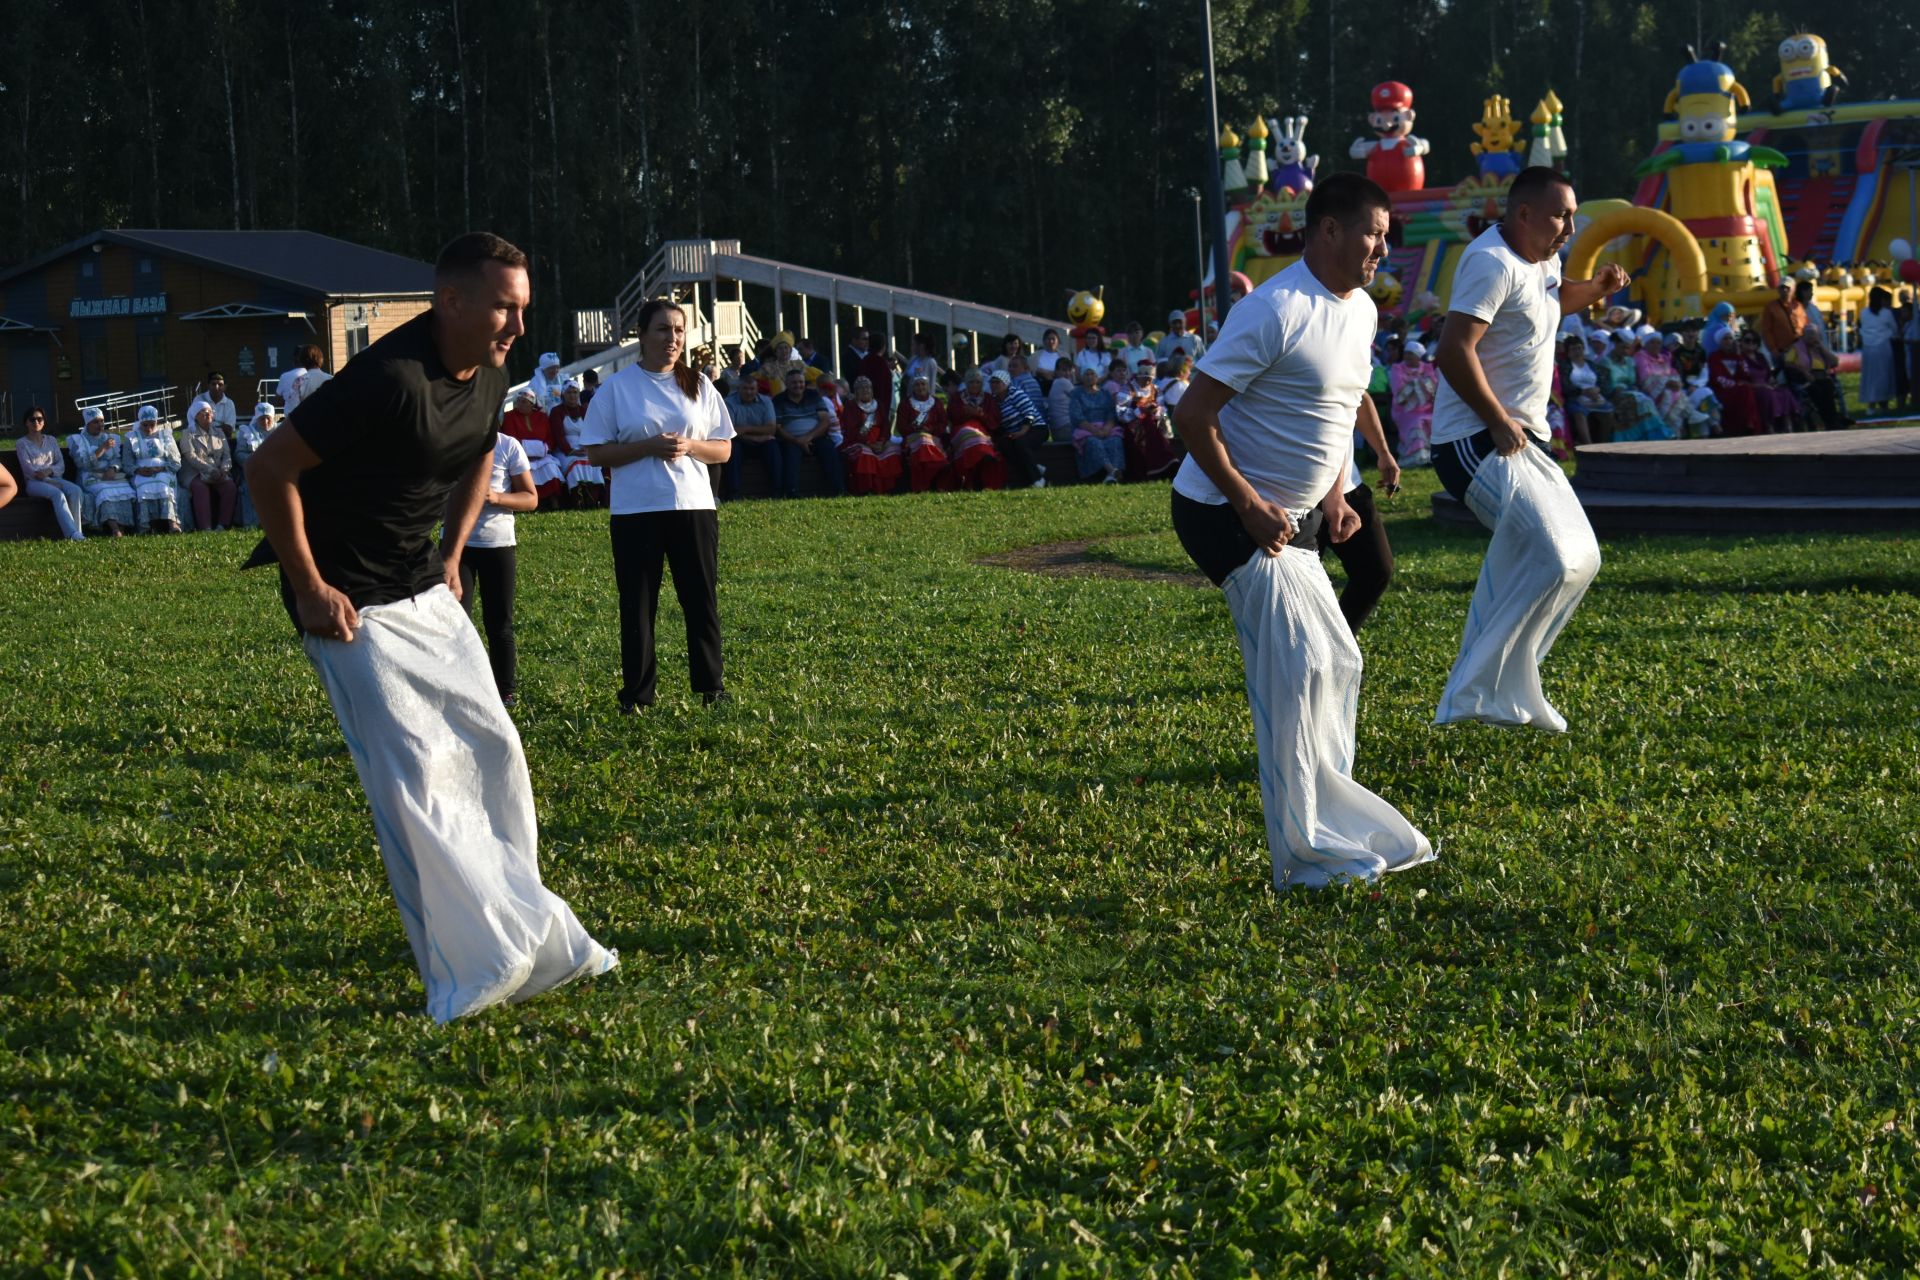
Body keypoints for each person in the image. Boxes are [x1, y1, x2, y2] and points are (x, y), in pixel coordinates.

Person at [244, 231, 616, 1022]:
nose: (517, 326)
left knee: (494, 745)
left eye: (524, 309)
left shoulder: (491, 372)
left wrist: (454, 549)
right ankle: (466, 965)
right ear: (451, 300)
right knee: (415, 774)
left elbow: (482, 450)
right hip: (345, 595)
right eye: (502, 308)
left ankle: (530, 930)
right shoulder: (386, 377)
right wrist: (308, 586)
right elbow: (268, 467)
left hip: (420, 578)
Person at [1168, 171, 1432, 889]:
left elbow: (1332, 408)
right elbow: (1192, 416)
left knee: (1338, 663)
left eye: (1386, 235)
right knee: (1298, 672)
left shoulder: (1361, 313)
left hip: (1293, 517)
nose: (1383, 248)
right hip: (1224, 513)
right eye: (1373, 233)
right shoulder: (1276, 308)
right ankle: (1304, 860)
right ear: (1328, 230)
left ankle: (1331, 827)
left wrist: (1339, 491)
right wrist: (1250, 503)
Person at [1429, 165, 1617, 733]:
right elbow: (1453, 351)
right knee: (1551, 556)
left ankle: (1509, 686)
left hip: (1524, 436)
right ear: (1523, 213)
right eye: (1561, 215)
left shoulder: (1543, 261)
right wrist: (1495, 418)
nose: (1569, 226)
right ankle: (1473, 693)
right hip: (1472, 440)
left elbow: (1552, 303)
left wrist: (1599, 291)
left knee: (1582, 559)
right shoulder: (1490, 263)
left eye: (1573, 216)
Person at [579, 297, 735, 712]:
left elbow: (722, 450)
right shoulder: (616, 388)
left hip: (693, 508)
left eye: (679, 330)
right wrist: (647, 446)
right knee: (638, 605)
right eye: (664, 329)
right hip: (636, 512)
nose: (673, 338)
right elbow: (596, 454)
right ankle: (637, 696)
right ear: (643, 335)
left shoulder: (700, 385)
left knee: (700, 600)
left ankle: (711, 688)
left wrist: (692, 445)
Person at [455, 429, 537, 706]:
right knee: (457, 622)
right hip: (457, 546)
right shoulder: (448, 440)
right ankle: (462, 690)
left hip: (497, 544)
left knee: (499, 623)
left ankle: (505, 692)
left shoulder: (508, 445)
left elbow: (531, 498)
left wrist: (496, 498)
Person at [771, 367, 845, 497]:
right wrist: (797, 441)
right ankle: (791, 492)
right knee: (790, 453)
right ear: (787, 384)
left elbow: (825, 421)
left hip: (816, 436)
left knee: (828, 449)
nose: (798, 385)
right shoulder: (778, 400)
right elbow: (778, 428)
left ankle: (839, 490)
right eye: (794, 382)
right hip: (791, 439)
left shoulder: (814, 396)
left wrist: (806, 438)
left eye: (800, 382)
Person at [15, 408, 85, 539]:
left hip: (55, 478)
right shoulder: (21, 443)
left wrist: (49, 471)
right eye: (32, 419)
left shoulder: (51, 440)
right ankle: (71, 534)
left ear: (44, 422)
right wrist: (45, 478)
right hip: (34, 483)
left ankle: (77, 531)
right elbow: (28, 469)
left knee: (76, 490)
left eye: (39, 419)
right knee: (57, 494)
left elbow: (60, 463)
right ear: (26, 423)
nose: (36, 422)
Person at [67, 407, 135, 536]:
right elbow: (82, 464)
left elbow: (116, 459)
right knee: (105, 492)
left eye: (102, 421)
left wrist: (112, 468)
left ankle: (123, 526)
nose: (100, 425)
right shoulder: (78, 441)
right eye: (96, 422)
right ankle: (114, 528)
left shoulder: (110, 437)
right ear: (87, 424)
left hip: (109, 475)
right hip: (90, 476)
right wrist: (102, 448)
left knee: (125, 489)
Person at [179, 399, 238, 531]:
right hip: (194, 471)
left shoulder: (219, 432)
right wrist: (210, 470)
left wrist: (224, 468)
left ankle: (223, 525)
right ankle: (205, 528)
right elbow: (191, 457)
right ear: (196, 416)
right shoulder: (187, 433)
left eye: (210, 412)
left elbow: (227, 454)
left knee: (230, 487)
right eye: (204, 413)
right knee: (200, 488)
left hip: (218, 470)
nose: (208, 415)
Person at [500, 388, 566, 508]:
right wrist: (528, 450)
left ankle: (554, 502)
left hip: (542, 456)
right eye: (518, 401)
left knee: (551, 467)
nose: (520, 404)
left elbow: (550, 438)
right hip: (519, 456)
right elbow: (510, 437)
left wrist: (544, 448)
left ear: (531, 403)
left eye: (524, 402)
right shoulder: (509, 416)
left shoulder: (542, 417)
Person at [839, 375, 904, 495]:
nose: (865, 390)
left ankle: (889, 488)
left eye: (868, 387)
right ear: (855, 391)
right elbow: (850, 429)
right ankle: (867, 489)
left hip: (879, 442)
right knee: (865, 454)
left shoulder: (879, 405)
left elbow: (885, 426)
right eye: (861, 388)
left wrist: (882, 441)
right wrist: (869, 443)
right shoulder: (851, 406)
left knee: (894, 451)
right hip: (857, 441)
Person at [1118, 355, 1179, 481]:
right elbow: (1120, 414)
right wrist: (1140, 410)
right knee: (1149, 427)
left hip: (1152, 423)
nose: (1147, 382)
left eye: (1150, 379)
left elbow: (1163, 409)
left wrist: (1157, 411)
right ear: (1139, 376)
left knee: (1153, 426)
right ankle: (1164, 464)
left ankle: (1165, 464)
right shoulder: (1127, 389)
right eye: (1145, 379)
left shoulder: (1156, 390)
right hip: (1132, 426)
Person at [723, 370, 781, 499]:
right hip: (741, 442)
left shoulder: (766, 401)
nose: (749, 392)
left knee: (773, 447)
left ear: (757, 389)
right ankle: (734, 493)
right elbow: (730, 432)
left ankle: (777, 491)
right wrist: (755, 434)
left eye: (752, 389)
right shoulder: (729, 402)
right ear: (738, 388)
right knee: (732, 449)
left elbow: (771, 429)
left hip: (762, 441)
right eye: (745, 388)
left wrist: (744, 429)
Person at [944, 369, 1006, 490]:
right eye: (971, 382)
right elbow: (952, 416)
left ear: (982, 384)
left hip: (982, 430)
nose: (974, 385)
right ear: (966, 383)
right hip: (962, 429)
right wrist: (967, 413)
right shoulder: (957, 397)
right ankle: (969, 478)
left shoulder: (988, 399)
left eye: (978, 382)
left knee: (978, 440)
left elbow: (994, 421)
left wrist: (981, 415)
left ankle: (982, 469)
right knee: (969, 436)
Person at [125, 405, 183, 533]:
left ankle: (172, 522)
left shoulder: (165, 435)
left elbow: (175, 460)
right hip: (141, 471)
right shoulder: (132, 438)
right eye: (145, 425)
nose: (148, 428)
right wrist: (138, 470)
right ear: (140, 423)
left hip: (163, 470)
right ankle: (146, 525)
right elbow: (127, 462)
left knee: (164, 485)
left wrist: (162, 468)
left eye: (152, 424)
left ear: (157, 422)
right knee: (143, 487)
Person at [986, 367, 1046, 488]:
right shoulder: (994, 401)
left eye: (997, 382)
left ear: (1006, 383)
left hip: (1035, 428)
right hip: (1014, 433)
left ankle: (1038, 480)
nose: (994, 385)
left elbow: (1030, 413)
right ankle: (1034, 467)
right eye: (992, 382)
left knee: (1021, 443)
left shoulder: (1016, 393)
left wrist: (1022, 431)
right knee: (1004, 445)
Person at [894, 375, 951, 492]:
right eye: (917, 385)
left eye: (923, 384)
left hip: (934, 437)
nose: (920, 387)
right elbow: (901, 426)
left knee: (925, 441)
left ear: (928, 386)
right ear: (912, 387)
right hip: (912, 438)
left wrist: (930, 430)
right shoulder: (905, 404)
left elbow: (943, 422)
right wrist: (917, 429)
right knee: (922, 442)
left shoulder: (936, 403)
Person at [1069, 366, 1125, 483]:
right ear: (1082, 378)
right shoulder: (1076, 394)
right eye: (1087, 374)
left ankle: (1111, 477)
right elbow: (1077, 417)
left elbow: (1111, 413)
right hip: (1086, 428)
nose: (1090, 377)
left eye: (1092, 374)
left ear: (1097, 377)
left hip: (1105, 427)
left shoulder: (1105, 393)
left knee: (1115, 441)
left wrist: (1106, 429)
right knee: (1093, 443)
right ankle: (1112, 470)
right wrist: (1095, 431)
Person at [1388, 340, 1437, 463]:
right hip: (1405, 410)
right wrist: (1418, 383)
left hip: (1428, 408)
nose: (1407, 357)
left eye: (1411, 354)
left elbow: (1434, 386)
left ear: (1419, 356)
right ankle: (1417, 457)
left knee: (1435, 420)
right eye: (1406, 353)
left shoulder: (1427, 367)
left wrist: (1415, 384)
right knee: (1417, 421)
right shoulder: (1397, 368)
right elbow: (1398, 392)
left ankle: (1433, 456)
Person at [234, 401, 276, 527]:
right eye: (262, 419)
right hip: (254, 471)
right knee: (250, 487)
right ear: (257, 418)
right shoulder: (247, 432)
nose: (265, 422)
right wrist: (256, 461)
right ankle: (253, 523)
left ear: (273, 418)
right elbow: (239, 454)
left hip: (276, 471)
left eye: (268, 418)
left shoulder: (281, 432)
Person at [1859, 286, 1898, 414]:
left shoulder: (1863, 312)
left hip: (1868, 348)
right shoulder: (1886, 313)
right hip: (1883, 347)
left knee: (1870, 376)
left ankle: (1871, 405)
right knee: (1884, 375)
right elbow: (1894, 329)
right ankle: (1884, 403)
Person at [275, 345, 332, 414]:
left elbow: (291, 410)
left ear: (301, 360)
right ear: (321, 359)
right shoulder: (331, 379)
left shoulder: (299, 381)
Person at [201, 372, 238, 438]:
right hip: (202, 438)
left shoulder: (229, 403)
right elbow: (196, 425)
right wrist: (221, 427)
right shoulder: (199, 400)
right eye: (213, 384)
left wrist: (208, 427)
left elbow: (229, 430)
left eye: (220, 384)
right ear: (208, 385)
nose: (216, 387)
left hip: (222, 440)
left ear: (225, 387)